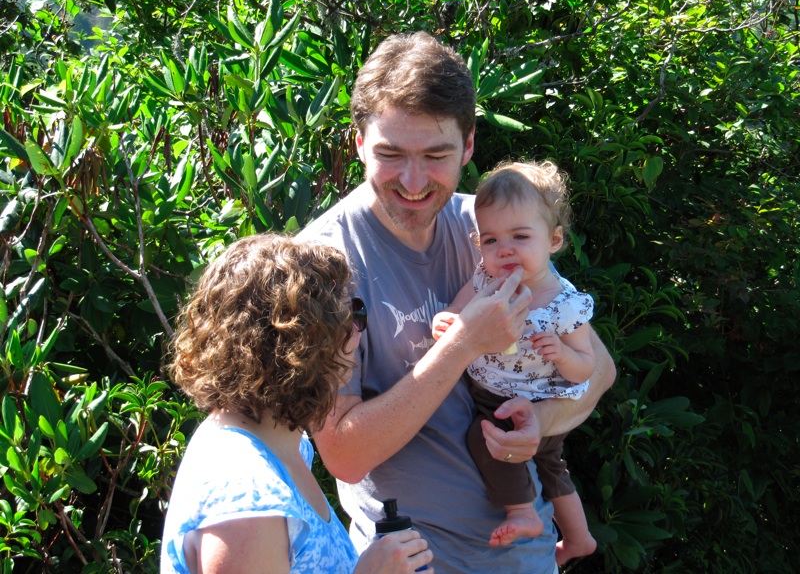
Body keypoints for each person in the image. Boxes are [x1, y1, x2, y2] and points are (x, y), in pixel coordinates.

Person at [299, 31, 615, 574]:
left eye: (437, 155)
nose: (414, 182)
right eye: (390, 154)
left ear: (469, 145)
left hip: (528, 553)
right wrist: (465, 341)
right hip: (417, 559)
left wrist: (540, 419)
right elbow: (344, 456)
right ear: (356, 141)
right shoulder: (323, 264)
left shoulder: (491, 232)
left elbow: (600, 371)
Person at [160, 233, 434, 574]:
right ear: (302, 344)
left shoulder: (279, 447)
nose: (359, 330)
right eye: (352, 313)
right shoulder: (246, 493)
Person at [431, 161, 598, 564]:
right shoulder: (487, 279)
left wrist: (562, 353)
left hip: (528, 401)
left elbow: (587, 369)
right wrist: (448, 320)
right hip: (492, 385)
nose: (503, 249)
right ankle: (580, 541)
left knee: (485, 439)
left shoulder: (564, 304)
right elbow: (459, 308)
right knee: (552, 468)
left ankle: (523, 512)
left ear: (554, 240)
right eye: (490, 240)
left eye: (520, 236)